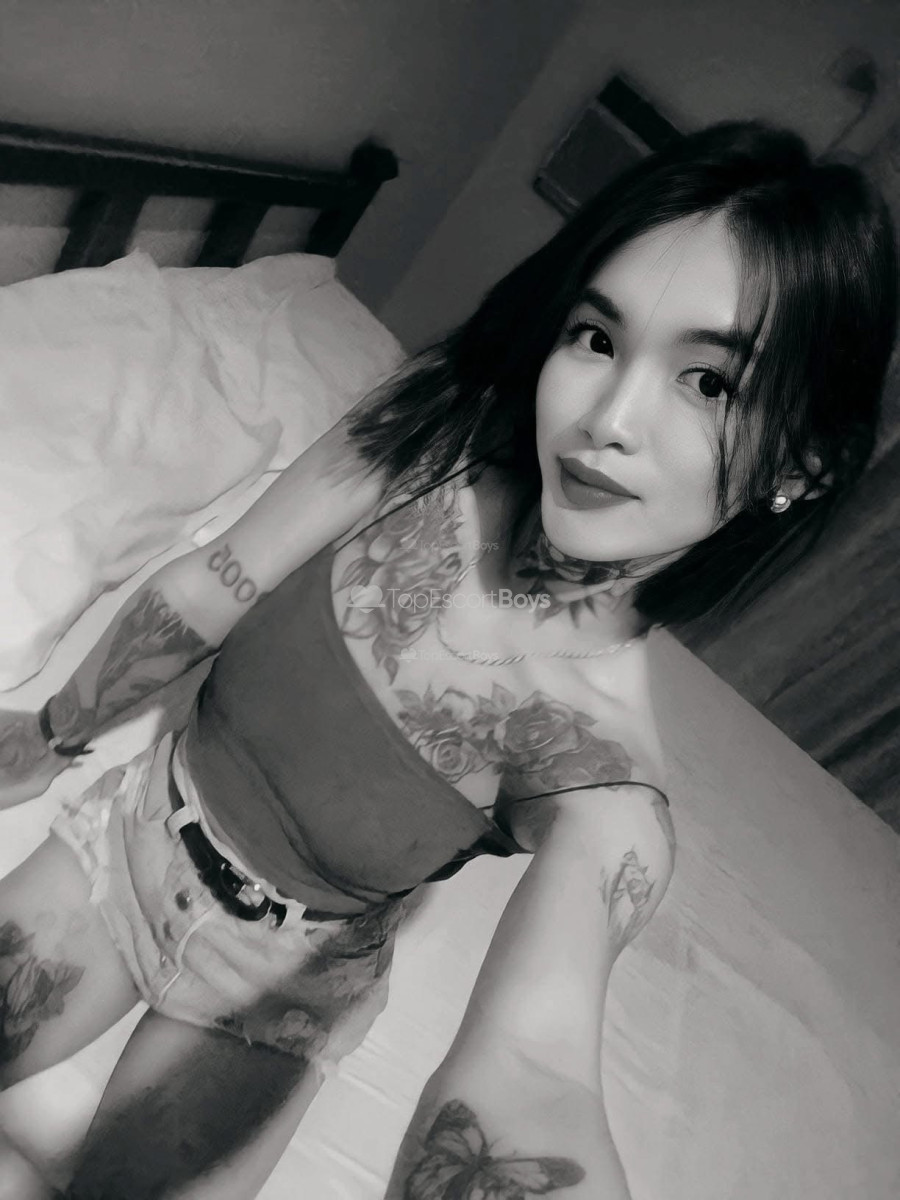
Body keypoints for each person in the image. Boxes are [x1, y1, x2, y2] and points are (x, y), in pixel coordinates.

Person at [0, 120, 895, 1200]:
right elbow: (220, 579)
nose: (607, 419)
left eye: (710, 383)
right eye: (597, 338)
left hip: (276, 993)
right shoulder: (435, 437)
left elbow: (533, 1065)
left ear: (803, 465)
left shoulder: (602, 779)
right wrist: (50, 733)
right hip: (134, 833)